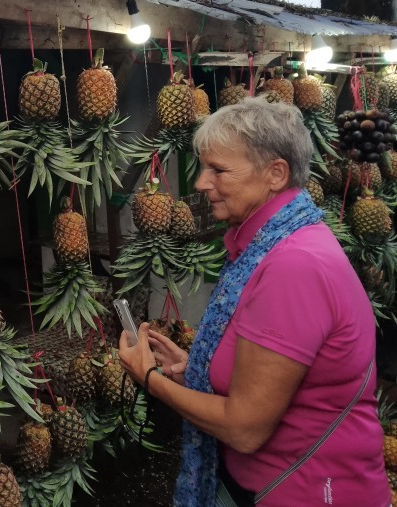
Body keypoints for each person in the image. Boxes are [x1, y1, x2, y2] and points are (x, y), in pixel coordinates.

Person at [118, 97, 389, 506]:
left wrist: (151, 381)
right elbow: (275, 381)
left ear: (275, 173)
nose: (201, 183)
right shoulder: (281, 243)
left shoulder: (291, 267)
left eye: (218, 170)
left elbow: (245, 428)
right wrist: (194, 370)